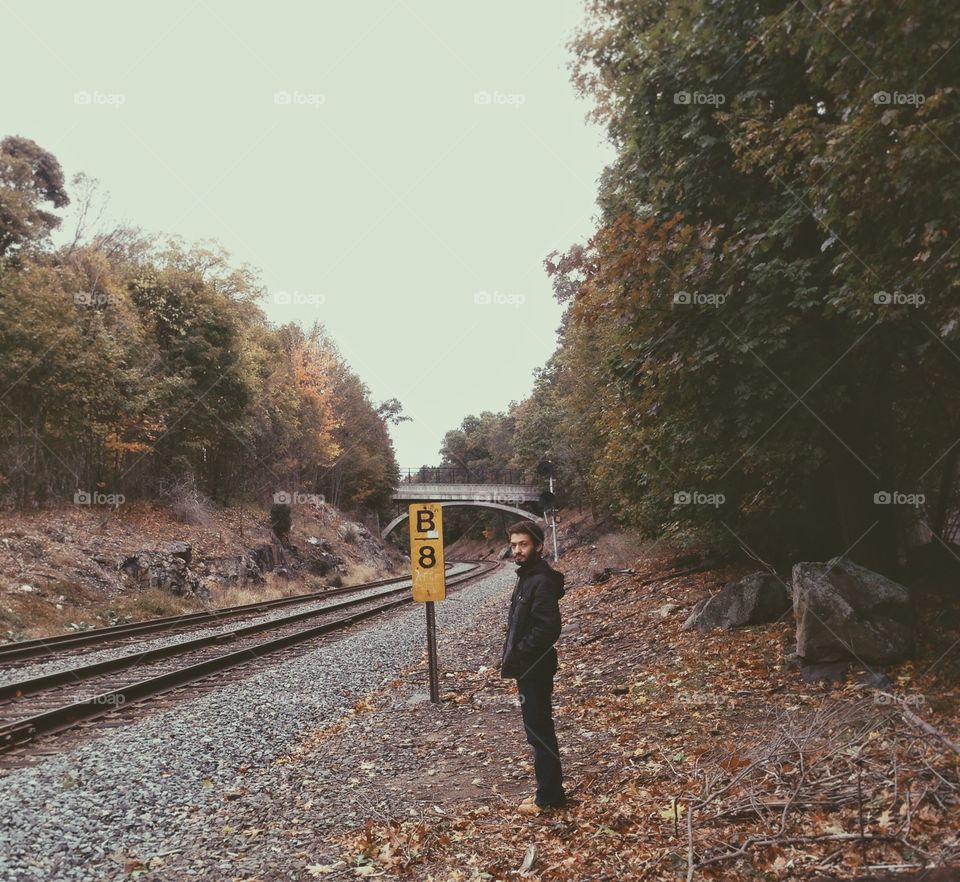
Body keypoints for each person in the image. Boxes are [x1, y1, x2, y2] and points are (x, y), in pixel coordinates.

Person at [500, 519, 567, 813]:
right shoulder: (526, 577)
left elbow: (548, 629)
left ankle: (549, 798)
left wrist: (520, 655)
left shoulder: (541, 581)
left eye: (523, 544)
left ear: (538, 546)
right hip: (528, 666)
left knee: (539, 731)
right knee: (537, 730)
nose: (517, 550)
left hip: (535, 667)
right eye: (513, 545)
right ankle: (548, 792)